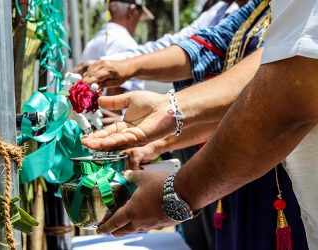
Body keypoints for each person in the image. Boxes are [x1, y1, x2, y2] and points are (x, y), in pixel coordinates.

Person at [82, 0, 318, 249]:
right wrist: (168, 111)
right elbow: (217, 55)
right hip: (234, 172)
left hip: (264, 175)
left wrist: (176, 194)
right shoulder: (255, 11)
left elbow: (283, 95)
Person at [81, 0, 154, 94]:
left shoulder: (92, 42)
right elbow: (114, 102)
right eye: (139, 17)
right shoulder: (127, 44)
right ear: (132, 11)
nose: (138, 22)